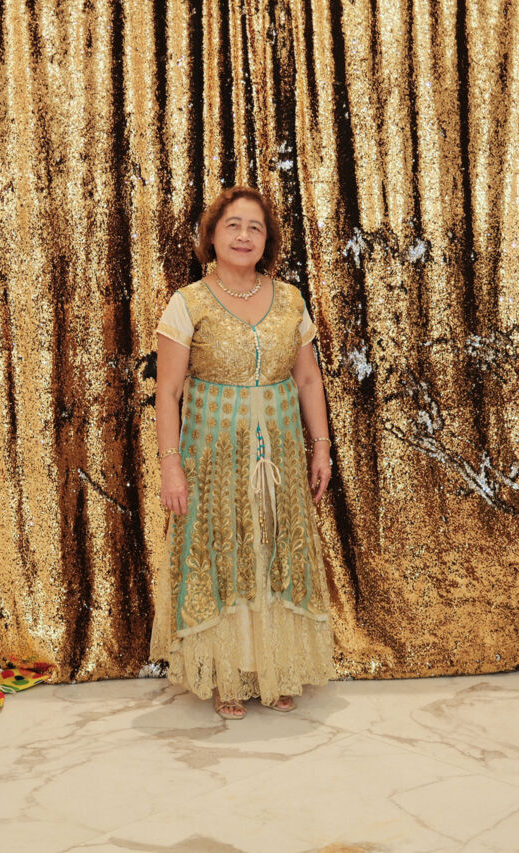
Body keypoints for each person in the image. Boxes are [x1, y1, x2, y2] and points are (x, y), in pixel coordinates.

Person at [151, 186, 335, 720]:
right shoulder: (188, 302)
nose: (244, 236)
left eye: (255, 227)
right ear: (212, 235)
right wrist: (171, 465)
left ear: (266, 240)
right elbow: (168, 391)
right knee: (222, 555)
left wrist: (321, 448)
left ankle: (275, 669)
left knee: (274, 551)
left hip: (278, 454)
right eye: (233, 225)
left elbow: (307, 379)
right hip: (213, 456)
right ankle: (226, 673)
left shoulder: (291, 300)